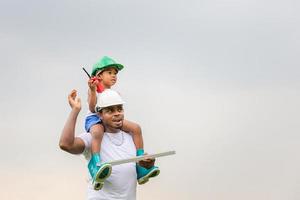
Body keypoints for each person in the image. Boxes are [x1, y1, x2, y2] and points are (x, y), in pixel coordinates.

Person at [59, 89, 159, 200]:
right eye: (110, 111)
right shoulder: (92, 138)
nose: (117, 113)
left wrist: (147, 164)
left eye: (120, 109)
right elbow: (65, 144)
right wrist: (75, 110)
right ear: (100, 114)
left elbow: (135, 170)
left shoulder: (131, 138)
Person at [85, 56, 159, 189]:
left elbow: (117, 111)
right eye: (110, 72)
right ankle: (96, 165)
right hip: (96, 118)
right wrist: (92, 90)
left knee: (136, 128)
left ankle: (140, 165)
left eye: (115, 73)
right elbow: (92, 107)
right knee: (97, 132)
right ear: (99, 75)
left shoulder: (114, 92)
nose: (114, 76)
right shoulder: (94, 89)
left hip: (111, 120)